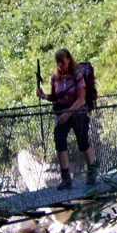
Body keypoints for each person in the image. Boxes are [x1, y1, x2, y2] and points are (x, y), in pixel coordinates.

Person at [36, 48, 99, 190]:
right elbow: (55, 97)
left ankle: (92, 172)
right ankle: (66, 179)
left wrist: (67, 114)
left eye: (62, 62)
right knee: (60, 142)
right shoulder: (55, 77)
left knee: (83, 143)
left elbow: (81, 99)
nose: (60, 66)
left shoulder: (77, 75)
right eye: (58, 63)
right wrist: (43, 96)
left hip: (78, 113)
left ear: (69, 60)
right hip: (62, 113)